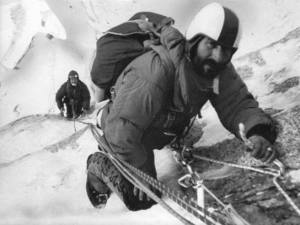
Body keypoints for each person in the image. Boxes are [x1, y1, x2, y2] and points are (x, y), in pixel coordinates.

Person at [86, 3, 278, 211]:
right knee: (143, 198)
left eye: (226, 50)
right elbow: (121, 130)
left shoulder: (216, 69)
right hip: (126, 130)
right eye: (212, 45)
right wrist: (144, 176)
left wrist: (256, 132)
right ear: (195, 39)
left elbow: (236, 103)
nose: (218, 56)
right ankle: (99, 167)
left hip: (162, 125)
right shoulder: (154, 73)